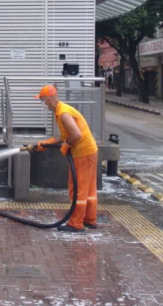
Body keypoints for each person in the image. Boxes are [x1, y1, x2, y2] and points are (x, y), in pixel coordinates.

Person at [34, 84, 99, 233]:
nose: (44, 105)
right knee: (88, 189)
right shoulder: (62, 110)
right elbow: (65, 135)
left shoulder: (63, 113)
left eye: (43, 101)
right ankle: (89, 219)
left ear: (49, 99)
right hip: (89, 152)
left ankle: (76, 223)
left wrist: (66, 146)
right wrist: (48, 143)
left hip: (83, 153)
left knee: (78, 189)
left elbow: (76, 135)